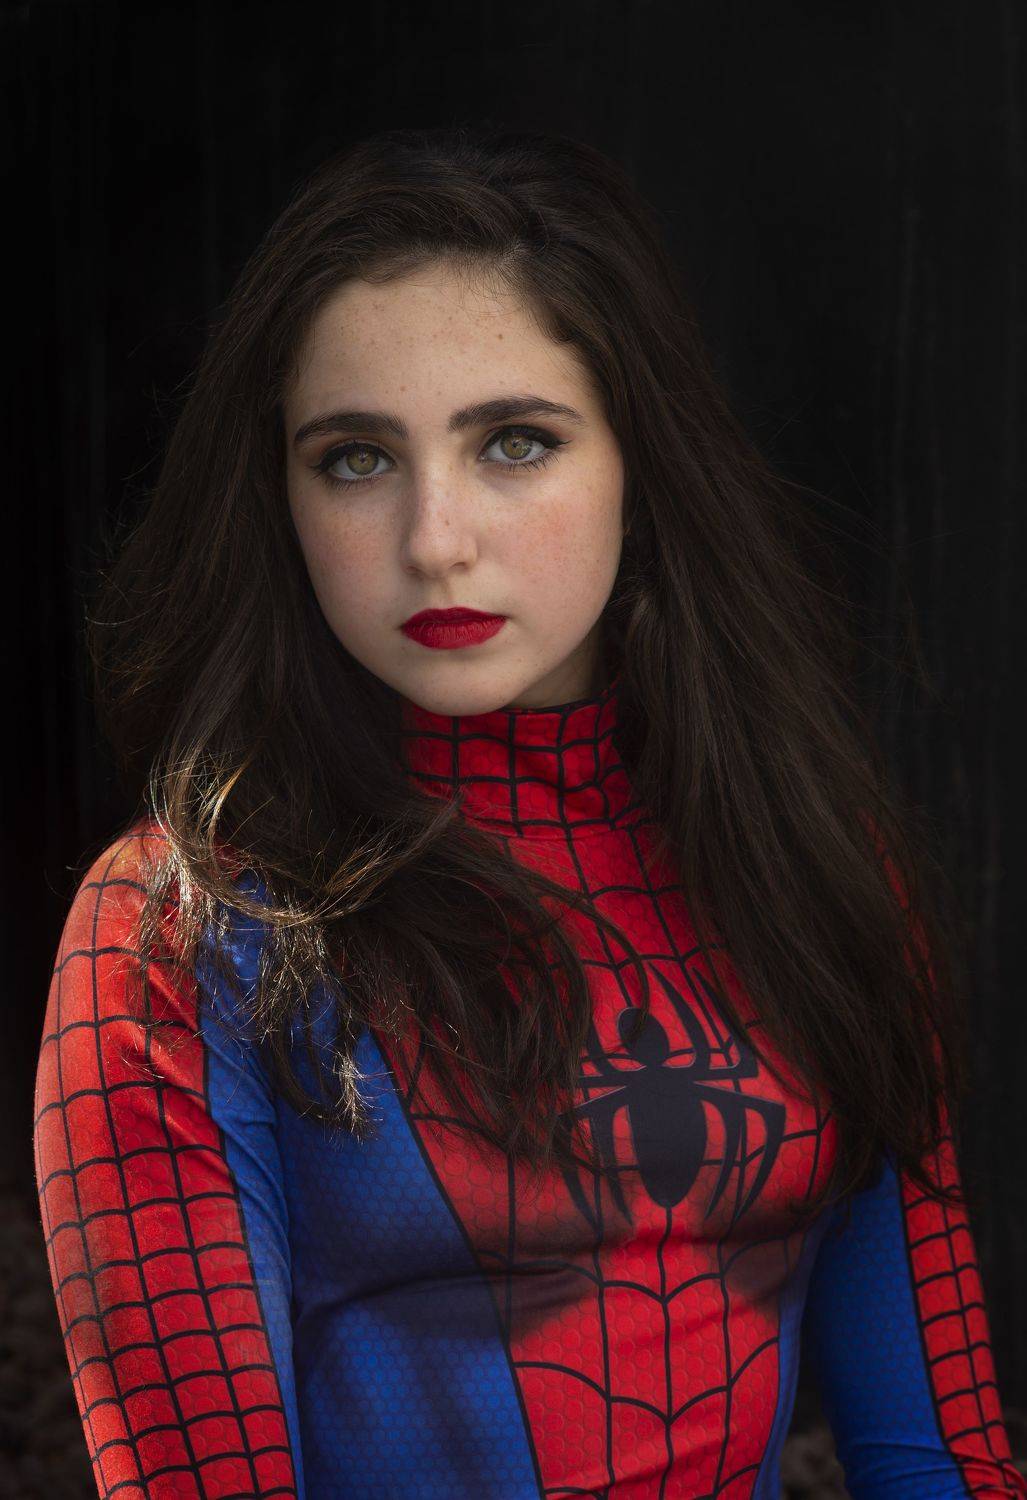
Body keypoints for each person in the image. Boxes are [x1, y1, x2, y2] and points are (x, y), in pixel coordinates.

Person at [33, 124, 1025, 1499]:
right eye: (356, 458)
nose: (436, 539)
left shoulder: (809, 867)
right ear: (279, 499)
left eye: (515, 442)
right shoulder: (178, 935)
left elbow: (941, 1455)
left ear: (638, 463)